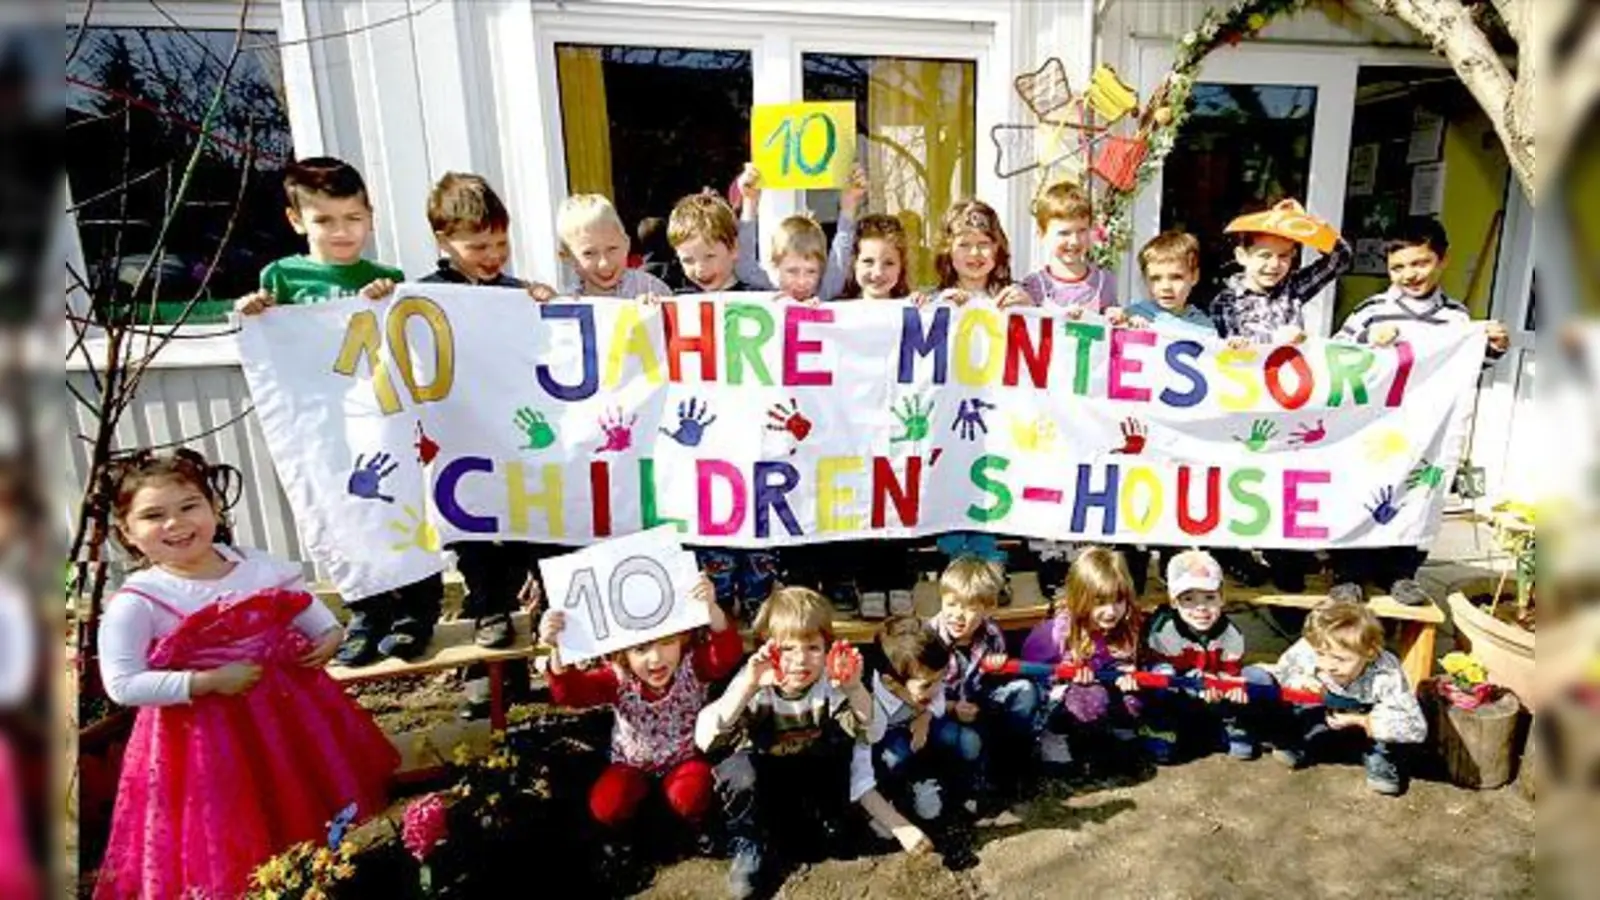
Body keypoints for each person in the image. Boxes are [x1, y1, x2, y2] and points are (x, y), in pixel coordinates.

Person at [93, 449, 396, 899]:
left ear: (214, 508)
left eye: (189, 506)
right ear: (128, 533)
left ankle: (318, 876)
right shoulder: (141, 600)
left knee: (301, 799)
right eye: (154, 516)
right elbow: (122, 684)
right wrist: (206, 682)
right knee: (233, 821)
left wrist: (330, 636)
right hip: (202, 740)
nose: (175, 524)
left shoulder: (255, 566)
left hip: (289, 719)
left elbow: (308, 612)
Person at [234, 156, 442, 665]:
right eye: (325, 220)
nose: (341, 231)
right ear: (297, 221)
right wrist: (253, 310)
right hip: (322, 424)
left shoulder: (385, 277)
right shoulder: (281, 276)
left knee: (402, 506)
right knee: (335, 505)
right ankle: (366, 612)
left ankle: (417, 610)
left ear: (370, 217)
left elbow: (409, 334)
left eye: (352, 218)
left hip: (382, 416)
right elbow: (271, 334)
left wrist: (389, 297)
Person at [420, 171, 561, 715]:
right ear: (444, 241)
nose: (492, 255)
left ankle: (552, 662)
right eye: (479, 246)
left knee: (537, 542)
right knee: (478, 553)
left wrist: (545, 307)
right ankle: (490, 668)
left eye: (500, 244)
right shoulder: (426, 296)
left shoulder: (511, 293)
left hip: (519, 448)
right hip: (461, 447)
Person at [1328, 216, 1511, 607]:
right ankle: (1350, 572)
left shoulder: (1457, 318)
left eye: (1420, 263)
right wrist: (1367, 344)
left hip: (1427, 430)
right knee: (1364, 492)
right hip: (1375, 428)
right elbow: (1337, 359)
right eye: (1398, 267)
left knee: (1420, 493)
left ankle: (1402, 572)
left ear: (1442, 260)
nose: (1409, 275)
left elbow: (1467, 367)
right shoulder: (1371, 312)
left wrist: (1492, 347)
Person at [539, 572, 743, 862]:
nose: (656, 659)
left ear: (682, 638)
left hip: (684, 758)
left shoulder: (693, 666)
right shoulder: (617, 678)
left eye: (667, 642)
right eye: (641, 649)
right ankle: (625, 833)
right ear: (623, 653)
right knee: (608, 804)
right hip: (631, 763)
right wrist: (557, 649)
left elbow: (726, 654)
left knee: (693, 793)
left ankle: (695, 826)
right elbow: (573, 694)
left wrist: (711, 609)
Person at [1209, 198, 1353, 593]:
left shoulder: (1293, 289)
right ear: (1242, 255)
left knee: (1286, 479)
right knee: (1245, 479)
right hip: (1248, 407)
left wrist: (1309, 222)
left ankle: (1285, 555)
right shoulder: (1225, 301)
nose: (1274, 264)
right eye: (1264, 255)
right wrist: (1272, 341)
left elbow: (1340, 258)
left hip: (1291, 406)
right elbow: (1226, 354)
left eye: (1285, 256)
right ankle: (1234, 553)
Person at [694, 587, 870, 899]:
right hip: (763, 774)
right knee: (738, 771)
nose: (800, 661)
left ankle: (828, 817)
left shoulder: (829, 684)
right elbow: (706, 739)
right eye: (787, 649)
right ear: (767, 648)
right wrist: (747, 687)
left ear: (827, 648)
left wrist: (855, 689)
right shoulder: (755, 681)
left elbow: (873, 729)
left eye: (813, 648)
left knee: (841, 740)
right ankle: (747, 842)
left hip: (804, 770)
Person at [1263, 599, 1427, 795]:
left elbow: (1415, 726)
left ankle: (1380, 759)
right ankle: (1302, 738)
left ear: (1369, 652)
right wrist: (1302, 681)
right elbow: (1283, 673)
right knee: (1292, 705)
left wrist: (1363, 721)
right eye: (1321, 655)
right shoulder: (1315, 645)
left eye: (1340, 659)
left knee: (1391, 722)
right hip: (1325, 701)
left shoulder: (1385, 673)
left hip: (1367, 708)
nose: (1329, 665)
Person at [1140, 549, 1272, 763]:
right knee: (1162, 676)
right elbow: (1167, 674)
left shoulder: (1231, 634)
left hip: (1213, 691)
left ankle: (1230, 725)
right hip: (1180, 691)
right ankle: (1160, 727)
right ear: (1174, 601)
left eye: (1210, 597)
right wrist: (1199, 684)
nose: (1201, 608)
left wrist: (1229, 685)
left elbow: (1231, 672)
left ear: (1222, 598)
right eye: (1188, 599)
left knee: (1255, 678)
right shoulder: (1165, 630)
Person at [1020, 546, 1143, 770]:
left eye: (1118, 601)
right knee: (1090, 698)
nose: (1111, 611)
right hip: (1060, 695)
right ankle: (1054, 737)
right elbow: (1030, 672)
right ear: (1080, 598)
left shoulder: (1125, 628)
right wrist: (1065, 676)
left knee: (1131, 697)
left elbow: (1122, 660)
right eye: (1100, 602)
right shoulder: (1056, 633)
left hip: (1100, 687)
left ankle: (1115, 735)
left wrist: (1124, 673)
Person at [929, 556, 1038, 799]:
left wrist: (998, 670)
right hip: (941, 713)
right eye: (952, 604)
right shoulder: (928, 639)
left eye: (969, 608)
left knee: (1026, 691)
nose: (958, 615)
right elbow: (919, 695)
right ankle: (965, 783)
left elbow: (992, 683)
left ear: (986, 608)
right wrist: (951, 708)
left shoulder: (991, 633)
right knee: (967, 742)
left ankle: (1012, 759)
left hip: (978, 704)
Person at [853, 616, 949, 856]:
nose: (936, 689)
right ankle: (885, 806)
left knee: (932, 741)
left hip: (912, 729)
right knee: (893, 758)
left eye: (941, 679)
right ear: (892, 684)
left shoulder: (927, 680)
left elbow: (939, 700)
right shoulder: (869, 704)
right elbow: (859, 761)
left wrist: (925, 715)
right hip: (878, 742)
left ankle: (921, 782)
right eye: (927, 685)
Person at [730, 162, 851, 301]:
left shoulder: (824, 293)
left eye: (811, 271)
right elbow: (744, 265)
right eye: (792, 271)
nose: (802, 282)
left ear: (822, 270)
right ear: (776, 264)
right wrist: (750, 202)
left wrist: (849, 205)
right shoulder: (768, 291)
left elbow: (841, 254)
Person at [1017, 180, 1120, 317]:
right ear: (1042, 234)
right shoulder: (1034, 285)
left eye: (1082, 231)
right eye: (1064, 233)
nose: (1074, 241)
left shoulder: (1104, 282)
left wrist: (1117, 317)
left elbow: (1112, 331)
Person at [557, 193, 673, 299]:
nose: (604, 263)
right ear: (568, 257)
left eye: (612, 249)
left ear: (627, 244)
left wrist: (656, 312)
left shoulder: (651, 288)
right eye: (589, 253)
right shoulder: (568, 305)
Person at [927, 199, 1031, 307]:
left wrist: (1028, 310)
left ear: (997, 247)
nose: (974, 253)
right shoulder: (935, 302)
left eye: (983, 244)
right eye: (964, 245)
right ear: (948, 250)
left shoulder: (1015, 297)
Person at [1125, 230, 1218, 339]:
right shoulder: (1132, 315)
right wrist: (1124, 326)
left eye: (1176, 277)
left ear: (1194, 277)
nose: (1166, 287)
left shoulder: (1205, 328)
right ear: (1145, 279)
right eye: (1156, 278)